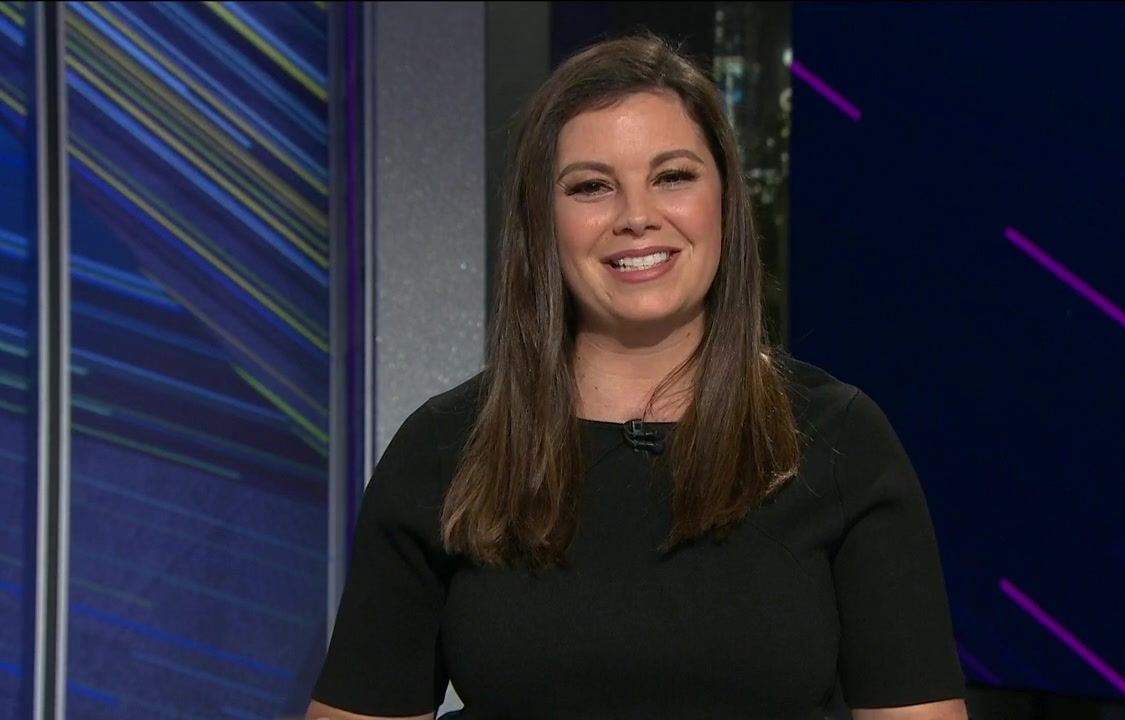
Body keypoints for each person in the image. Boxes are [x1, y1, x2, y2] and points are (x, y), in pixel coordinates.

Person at [305, 33, 966, 720]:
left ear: (724, 198)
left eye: (672, 176)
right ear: (543, 221)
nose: (637, 218)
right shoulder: (447, 450)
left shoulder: (840, 442)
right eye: (592, 186)